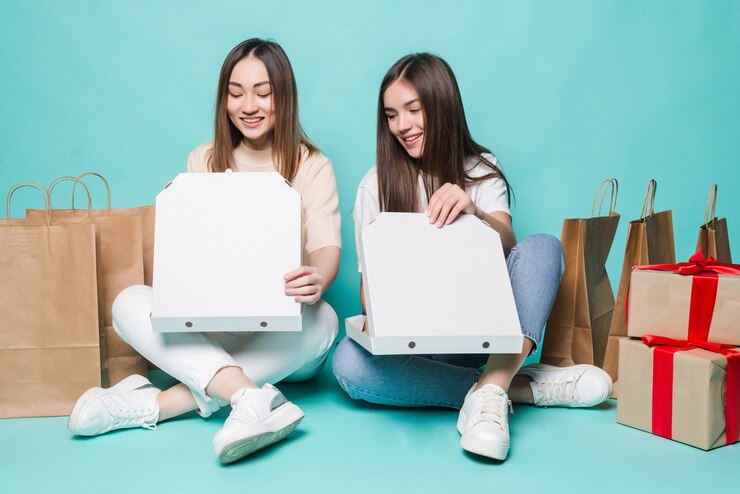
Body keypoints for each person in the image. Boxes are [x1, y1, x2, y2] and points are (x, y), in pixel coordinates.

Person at [67, 39, 342, 464]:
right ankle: (249, 397)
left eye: (263, 93)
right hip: (216, 319)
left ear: (283, 97)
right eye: (236, 93)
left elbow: (326, 246)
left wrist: (318, 278)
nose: (248, 105)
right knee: (128, 302)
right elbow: (193, 260)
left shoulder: (312, 164)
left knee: (324, 318)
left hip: (285, 326)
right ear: (223, 99)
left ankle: (155, 405)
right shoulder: (205, 158)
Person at [331, 53, 612, 461]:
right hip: (418, 346)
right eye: (392, 115)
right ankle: (510, 388)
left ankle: (495, 380)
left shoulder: (480, 169)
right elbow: (365, 293)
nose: (402, 126)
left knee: (543, 246)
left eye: (414, 110)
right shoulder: (374, 185)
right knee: (347, 363)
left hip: (483, 333)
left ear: (442, 106)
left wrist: (474, 213)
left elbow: (509, 243)